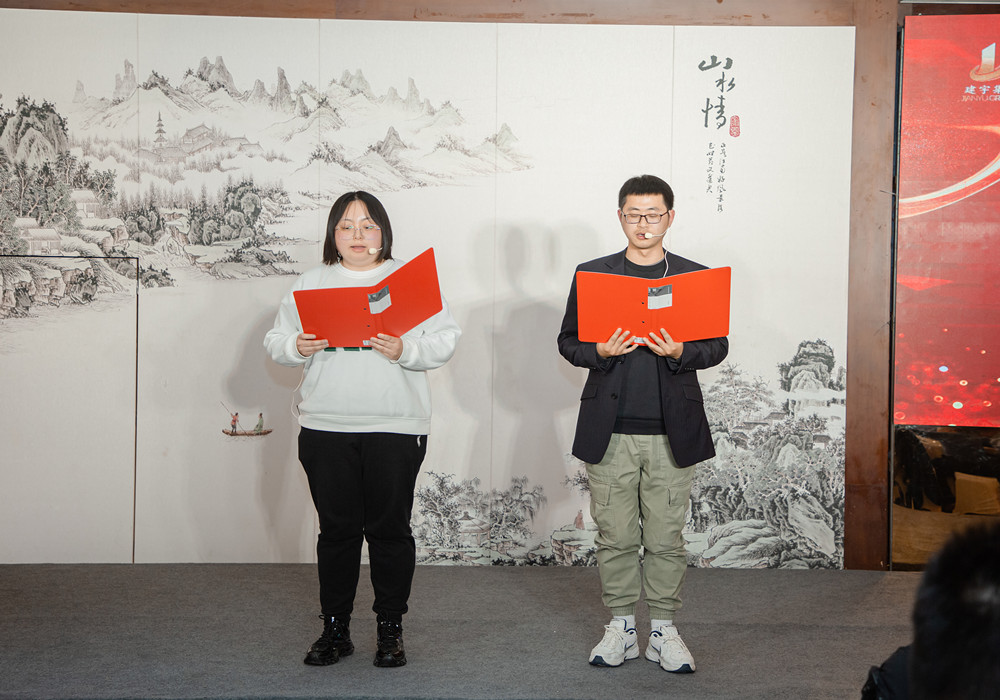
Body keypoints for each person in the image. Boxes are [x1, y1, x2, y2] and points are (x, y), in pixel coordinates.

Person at [264, 190, 461, 668]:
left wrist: (406, 351)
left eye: (368, 224)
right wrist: (296, 346)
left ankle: (390, 630)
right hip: (326, 425)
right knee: (337, 532)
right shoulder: (311, 282)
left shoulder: (407, 280)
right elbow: (275, 341)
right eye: (347, 226)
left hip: (396, 425)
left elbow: (445, 338)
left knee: (390, 531)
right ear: (333, 234)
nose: (358, 234)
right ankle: (335, 630)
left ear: (383, 232)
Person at [557, 174, 728, 673]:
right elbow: (568, 342)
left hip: (672, 429)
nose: (643, 224)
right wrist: (598, 351)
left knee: (666, 538)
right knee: (615, 536)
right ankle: (621, 628)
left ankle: (664, 631)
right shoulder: (595, 275)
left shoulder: (693, 277)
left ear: (670, 218)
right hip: (609, 428)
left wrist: (681, 351)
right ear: (620, 217)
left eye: (653, 214)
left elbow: (717, 346)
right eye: (633, 214)